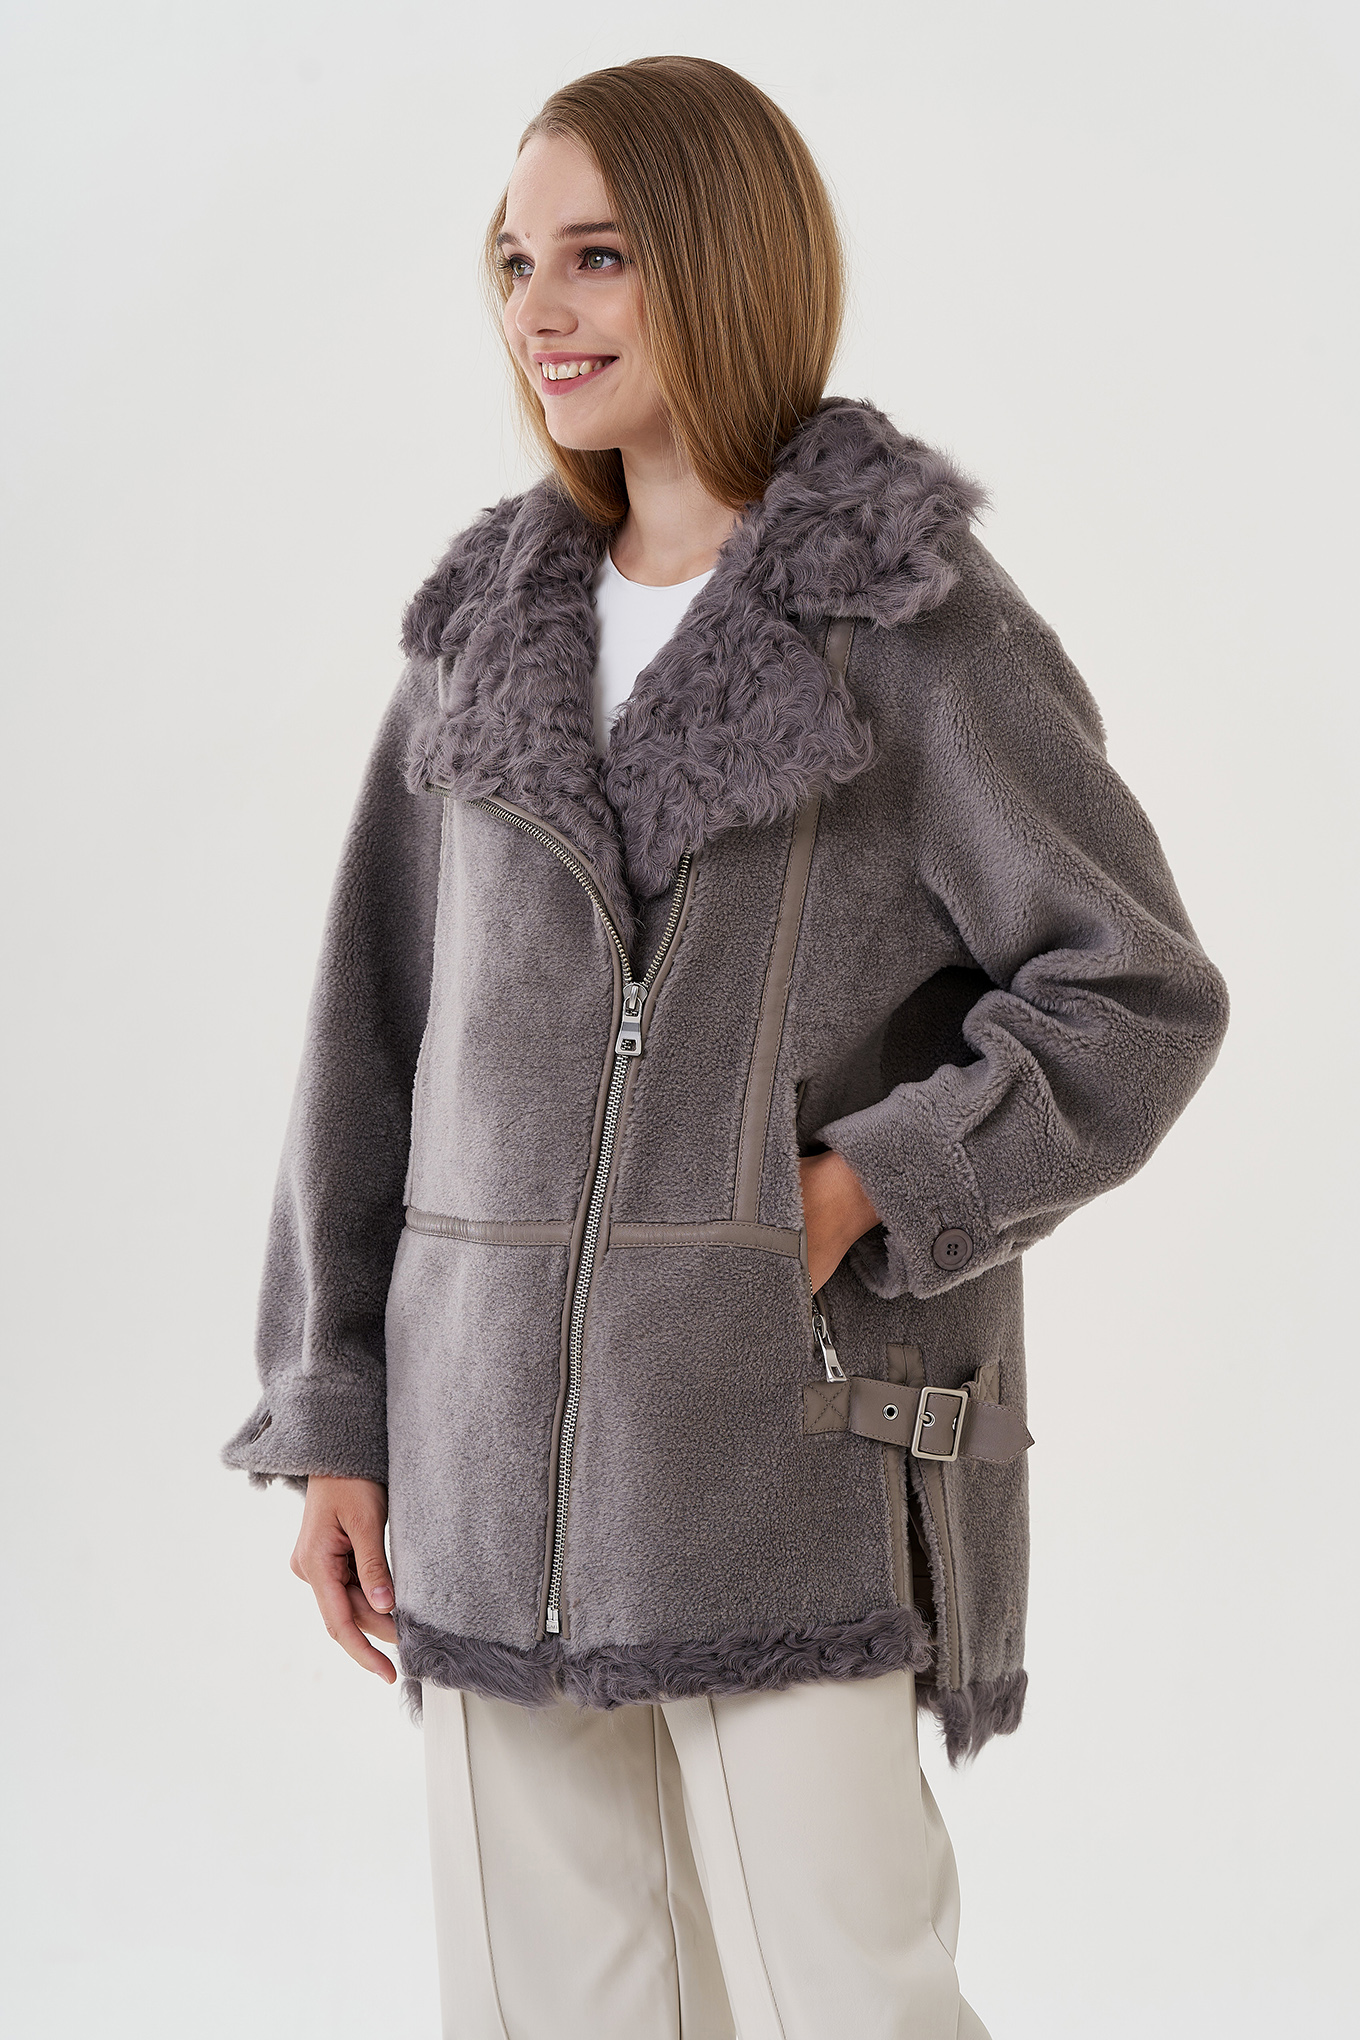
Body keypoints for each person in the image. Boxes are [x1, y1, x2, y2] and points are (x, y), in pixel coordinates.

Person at [224, 54, 1230, 2040]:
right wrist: (335, 1416)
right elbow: (368, 1041)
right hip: (482, 1468)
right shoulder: (480, 637)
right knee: (552, 2010)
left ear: (724, 259)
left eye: (597, 256)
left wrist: (868, 1187)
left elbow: (1131, 989)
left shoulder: (907, 624)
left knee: (845, 1997)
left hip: (783, 1459)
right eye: (513, 261)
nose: (541, 308)